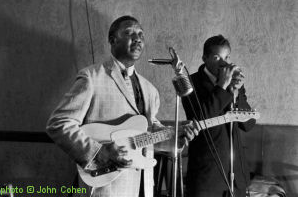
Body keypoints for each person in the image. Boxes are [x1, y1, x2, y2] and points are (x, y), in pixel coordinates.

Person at [46, 15, 198, 197]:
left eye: (141, 34)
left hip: (143, 187)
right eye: (129, 32)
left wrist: (176, 136)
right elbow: (58, 123)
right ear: (112, 40)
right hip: (104, 187)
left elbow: (149, 135)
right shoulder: (92, 78)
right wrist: (99, 153)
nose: (138, 38)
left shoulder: (150, 90)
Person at [181, 35, 256, 197]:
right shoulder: (190, 83)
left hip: (236, 177)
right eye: (217, 57)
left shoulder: (234, 82)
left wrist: (236, 93)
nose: (224, 62)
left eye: (227, 57)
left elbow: (248, 125)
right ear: (204, 58)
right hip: (206, 177)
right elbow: (200, 119)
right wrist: (221, 86)